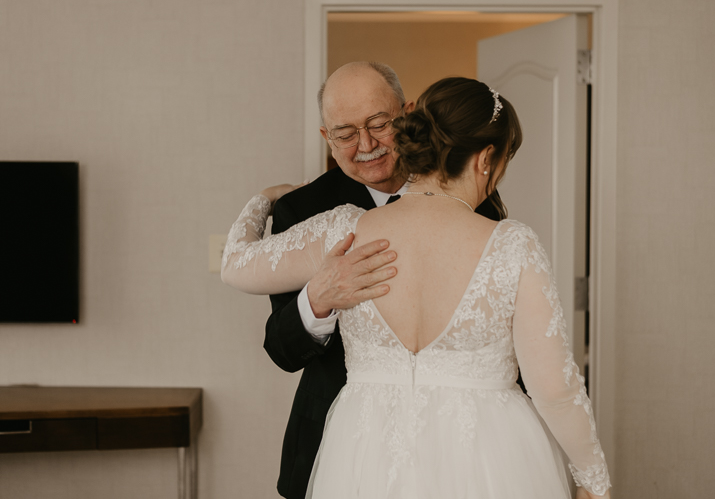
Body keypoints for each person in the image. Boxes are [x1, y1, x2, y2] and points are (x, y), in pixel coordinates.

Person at [222, 77, 611, 498]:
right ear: (485, 159)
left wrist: (261, 200)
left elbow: (235, 266)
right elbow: (554, 389)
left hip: (363, 454)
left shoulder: (342, 226)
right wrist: (594, 481)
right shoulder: (513, 244)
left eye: (376, 124)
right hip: (487, 456)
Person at [261, 62, 503, 499]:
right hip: (339, 454)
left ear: (407, 114)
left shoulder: (468, 193)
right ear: (326, 139)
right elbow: (282, 350)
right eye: (346, 133)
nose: (366, 145)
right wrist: (318, 298)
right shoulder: (300, 211)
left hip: (456, 447)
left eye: (379, 123)